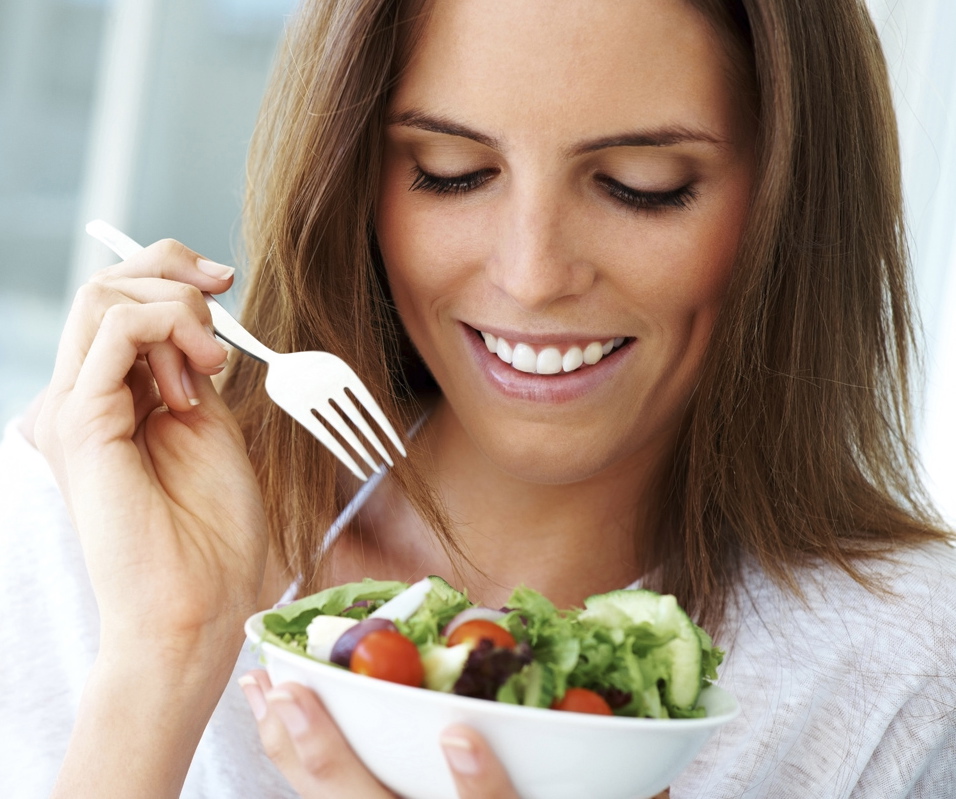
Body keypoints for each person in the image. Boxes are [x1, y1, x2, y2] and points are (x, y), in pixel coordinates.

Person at [1, 0, 954, 796]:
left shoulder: (903, 668)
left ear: (791, 197)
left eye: (642, 185)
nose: (533, 275)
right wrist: (163, 661)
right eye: (452, 172)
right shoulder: (94, 522)